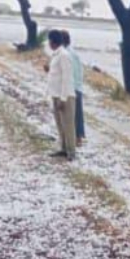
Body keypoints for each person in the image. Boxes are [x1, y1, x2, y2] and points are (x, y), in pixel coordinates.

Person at [46, 30, 77, 161]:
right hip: (56, 94)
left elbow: (67, 78)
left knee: (68, 124)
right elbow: (56, 74)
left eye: (49, 41)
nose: (48, 44)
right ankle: (63, 148)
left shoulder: (64, 55)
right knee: (60, 124)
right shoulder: (56, 55)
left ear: (53, 42)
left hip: (65, 96)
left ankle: (71, 151)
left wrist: (63, 99)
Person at [61, 30, 85, 146]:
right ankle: (78, 138)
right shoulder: (74, 53)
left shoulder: (65, 54)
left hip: (70, 87)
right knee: (78, 114)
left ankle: (73, 139)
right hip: (77, 86)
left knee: (70, 115)